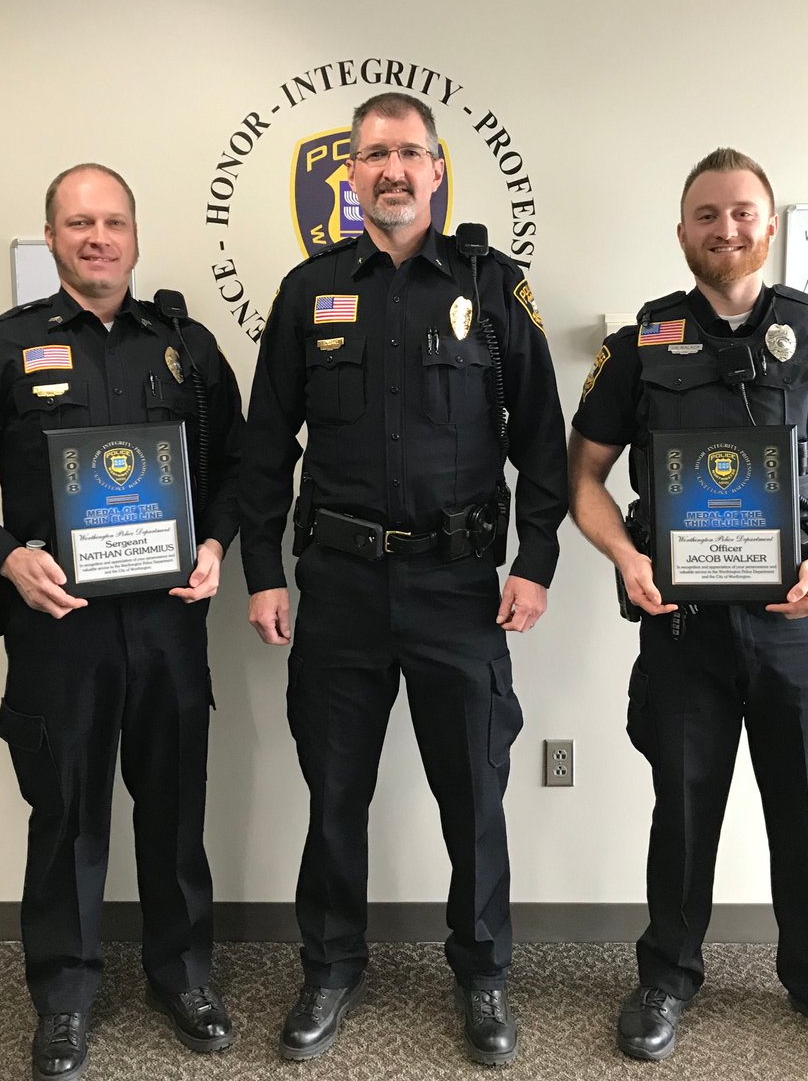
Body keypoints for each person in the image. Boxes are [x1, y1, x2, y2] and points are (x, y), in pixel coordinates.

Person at [240, 92, 567, 1066]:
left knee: (474, 794)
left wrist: (537, 563)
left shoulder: (490, 287)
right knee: (335, 791)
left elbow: (543, 443)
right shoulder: (309, 292)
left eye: (409, 154)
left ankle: (484, 976)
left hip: (459, 586)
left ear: (436, 172)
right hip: (337, 585)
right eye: (373, 154)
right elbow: (265, 447)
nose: (392, 170)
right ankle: (332, 968)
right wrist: (264, 571)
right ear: (350, 173)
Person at [0, 164, 244, 1080]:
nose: (99, 238)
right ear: (54, 237)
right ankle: (66, 995)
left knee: (175, 807)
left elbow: (241, 462)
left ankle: (182, 974)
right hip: (59, 626)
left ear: (136, 235)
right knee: (67, 815)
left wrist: (218, 545)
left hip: (166, 624)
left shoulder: (184, 345)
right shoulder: (1, 347)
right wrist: (6, 556)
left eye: (113, 222)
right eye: (79, 224)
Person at [569, 148, 808, 1061]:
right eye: (706, 215)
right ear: (681, 231)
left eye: (741, 213)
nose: (725, 229)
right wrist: (623, 555)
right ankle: (667, 978)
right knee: (682, 807)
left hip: (797, 623)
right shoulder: (642, 343)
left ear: (768, 225)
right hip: (681, 622)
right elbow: (587, 477)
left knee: (805, 810)